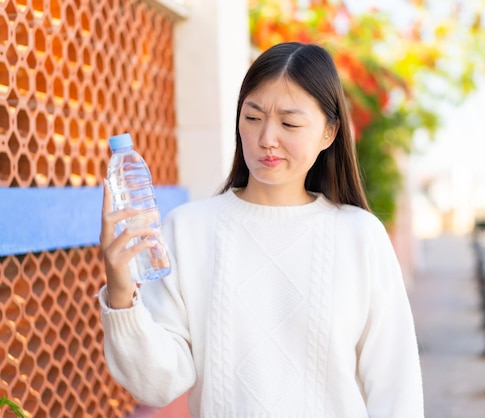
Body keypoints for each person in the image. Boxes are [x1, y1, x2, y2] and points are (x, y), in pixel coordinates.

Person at [99, 41, 424, 417]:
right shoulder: (188, 230)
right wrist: (121, 291)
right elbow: (158, 385)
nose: (267, 138)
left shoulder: (360, 236)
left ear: (329, 133)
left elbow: (395, 388)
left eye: (289, 123)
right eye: (253, 118)